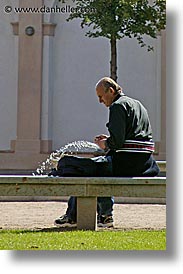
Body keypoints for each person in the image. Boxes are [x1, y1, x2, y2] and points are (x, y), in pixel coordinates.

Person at [54, 77, 160, 228]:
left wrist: (105, 143)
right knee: (97, 169)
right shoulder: (138, 104)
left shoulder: (117, 106)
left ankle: (89, 216)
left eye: (101, 96)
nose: (100, 101)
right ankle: (93, 215)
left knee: (81, 169)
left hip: (124, 163)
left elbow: (117, 143)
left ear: (110, 91)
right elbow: (134, 137)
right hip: (144, 164)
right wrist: (110, 140)